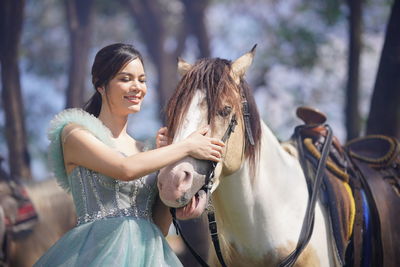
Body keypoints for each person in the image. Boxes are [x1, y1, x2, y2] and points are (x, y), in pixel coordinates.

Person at [34, 43, 224, 266]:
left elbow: (159, 227)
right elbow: (125, 169)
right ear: (100, 85)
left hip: (151, 255)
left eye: (142, 80)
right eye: (125, 79)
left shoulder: (144, 150)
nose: (137, 87)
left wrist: (174, 196)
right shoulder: (74, 133)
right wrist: (185, 146)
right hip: (95, 253)